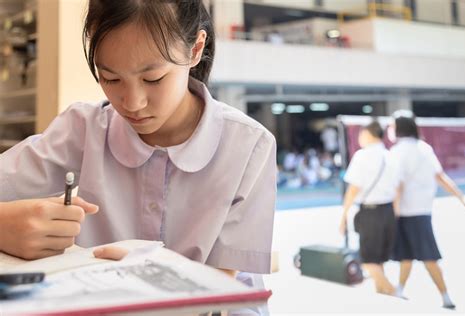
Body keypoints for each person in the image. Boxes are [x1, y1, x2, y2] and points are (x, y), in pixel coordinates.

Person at [0, 0, 276, 284]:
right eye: (111, 78)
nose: (133, 103)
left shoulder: (249, 147)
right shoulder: (83, 129)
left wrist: (142, 269)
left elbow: (215, 290)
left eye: (153, 78)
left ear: (195, 49)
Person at [389, 110, 465, 309]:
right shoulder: (425, 148)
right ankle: (400, 289)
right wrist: (461, 198)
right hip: (422, 211)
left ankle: (445, 296)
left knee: (426, 257)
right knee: (407, 256)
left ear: (398, 128)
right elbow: (441, 177)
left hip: (407, 213)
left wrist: (394, 213)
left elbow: (397, 186)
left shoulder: (398, 152)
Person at [339, 121, 399, 295]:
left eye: (361, 134)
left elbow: (353, 190)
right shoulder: (391, 155)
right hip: (388, 211)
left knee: (367, 260)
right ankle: (382, 293)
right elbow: (398, 188)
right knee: (379, 259)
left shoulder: (362, 156)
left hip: (370, 212)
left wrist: (343, 216)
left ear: (369, 134)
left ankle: (393, 291)